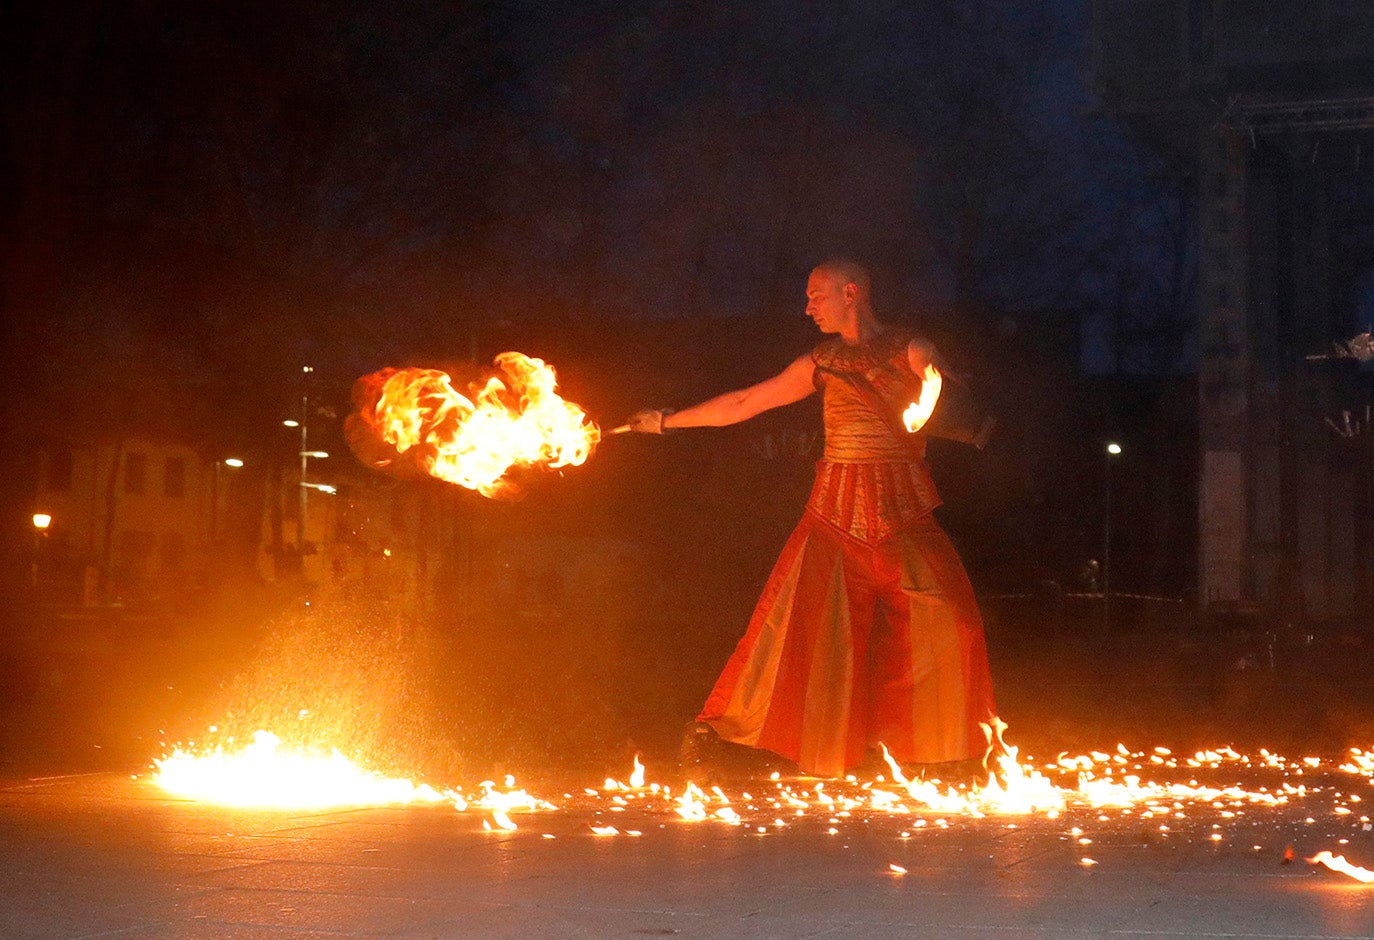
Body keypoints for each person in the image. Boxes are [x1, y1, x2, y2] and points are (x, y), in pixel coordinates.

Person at [625, 259, 998, 779]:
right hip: (834, 516)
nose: (807, 307)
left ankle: (941, 752)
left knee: (952, 622)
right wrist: (666, 421)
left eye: (816, 295)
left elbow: (945, 383)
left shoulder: (910, 348)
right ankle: (720, 733)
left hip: (905, 512)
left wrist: (937, 378)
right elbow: (746, 401)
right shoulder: (819, 363)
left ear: (851, 293)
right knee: (793, 631)